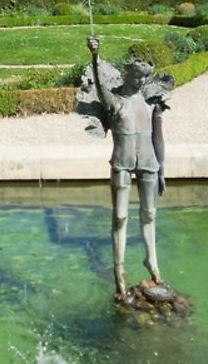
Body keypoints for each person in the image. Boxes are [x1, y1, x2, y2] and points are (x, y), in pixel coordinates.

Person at [86, 35, 168, 298]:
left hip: (148, 162)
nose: (142, 81)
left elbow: (158, 137)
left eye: (146, 77)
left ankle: (152, 262)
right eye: (138, 76)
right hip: (121, 162)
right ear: (128, 73)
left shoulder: (151, 101)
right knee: (120, 217)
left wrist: (162, 169)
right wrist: (95, 56)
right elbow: (99, 86)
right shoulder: (116, 102)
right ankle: (118, 270)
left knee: (150, 214)